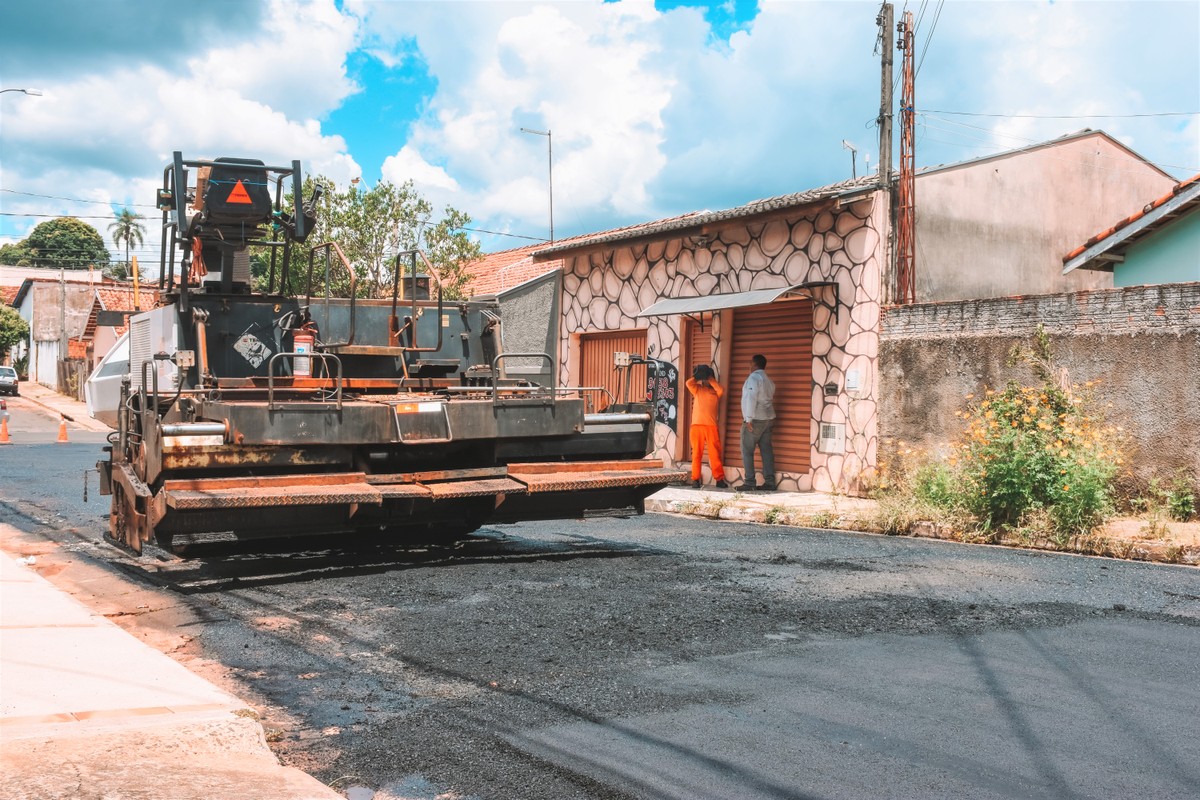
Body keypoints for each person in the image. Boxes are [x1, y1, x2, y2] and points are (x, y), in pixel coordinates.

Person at [684, 364, 728, 489]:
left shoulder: (716, 392)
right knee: (696, 454)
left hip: (711, 427)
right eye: (704, 379)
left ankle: (719, 479)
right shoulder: (697, 389)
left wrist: (710, 378)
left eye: (706, 379)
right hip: (696, 426)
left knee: (714, 454)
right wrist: (697, 376)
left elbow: (721, 390)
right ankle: (696, 479)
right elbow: (688, 383)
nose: (705, 381)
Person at [738, 354, 776, 491]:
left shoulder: (754, 378)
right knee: (766, 450)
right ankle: (770, 482)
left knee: (747, 450)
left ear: (754, 364)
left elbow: (750, 397)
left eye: (750, 363)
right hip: (768, 418)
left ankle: (749, 482)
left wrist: (748, 418)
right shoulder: (769, 380)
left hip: (756, 419)